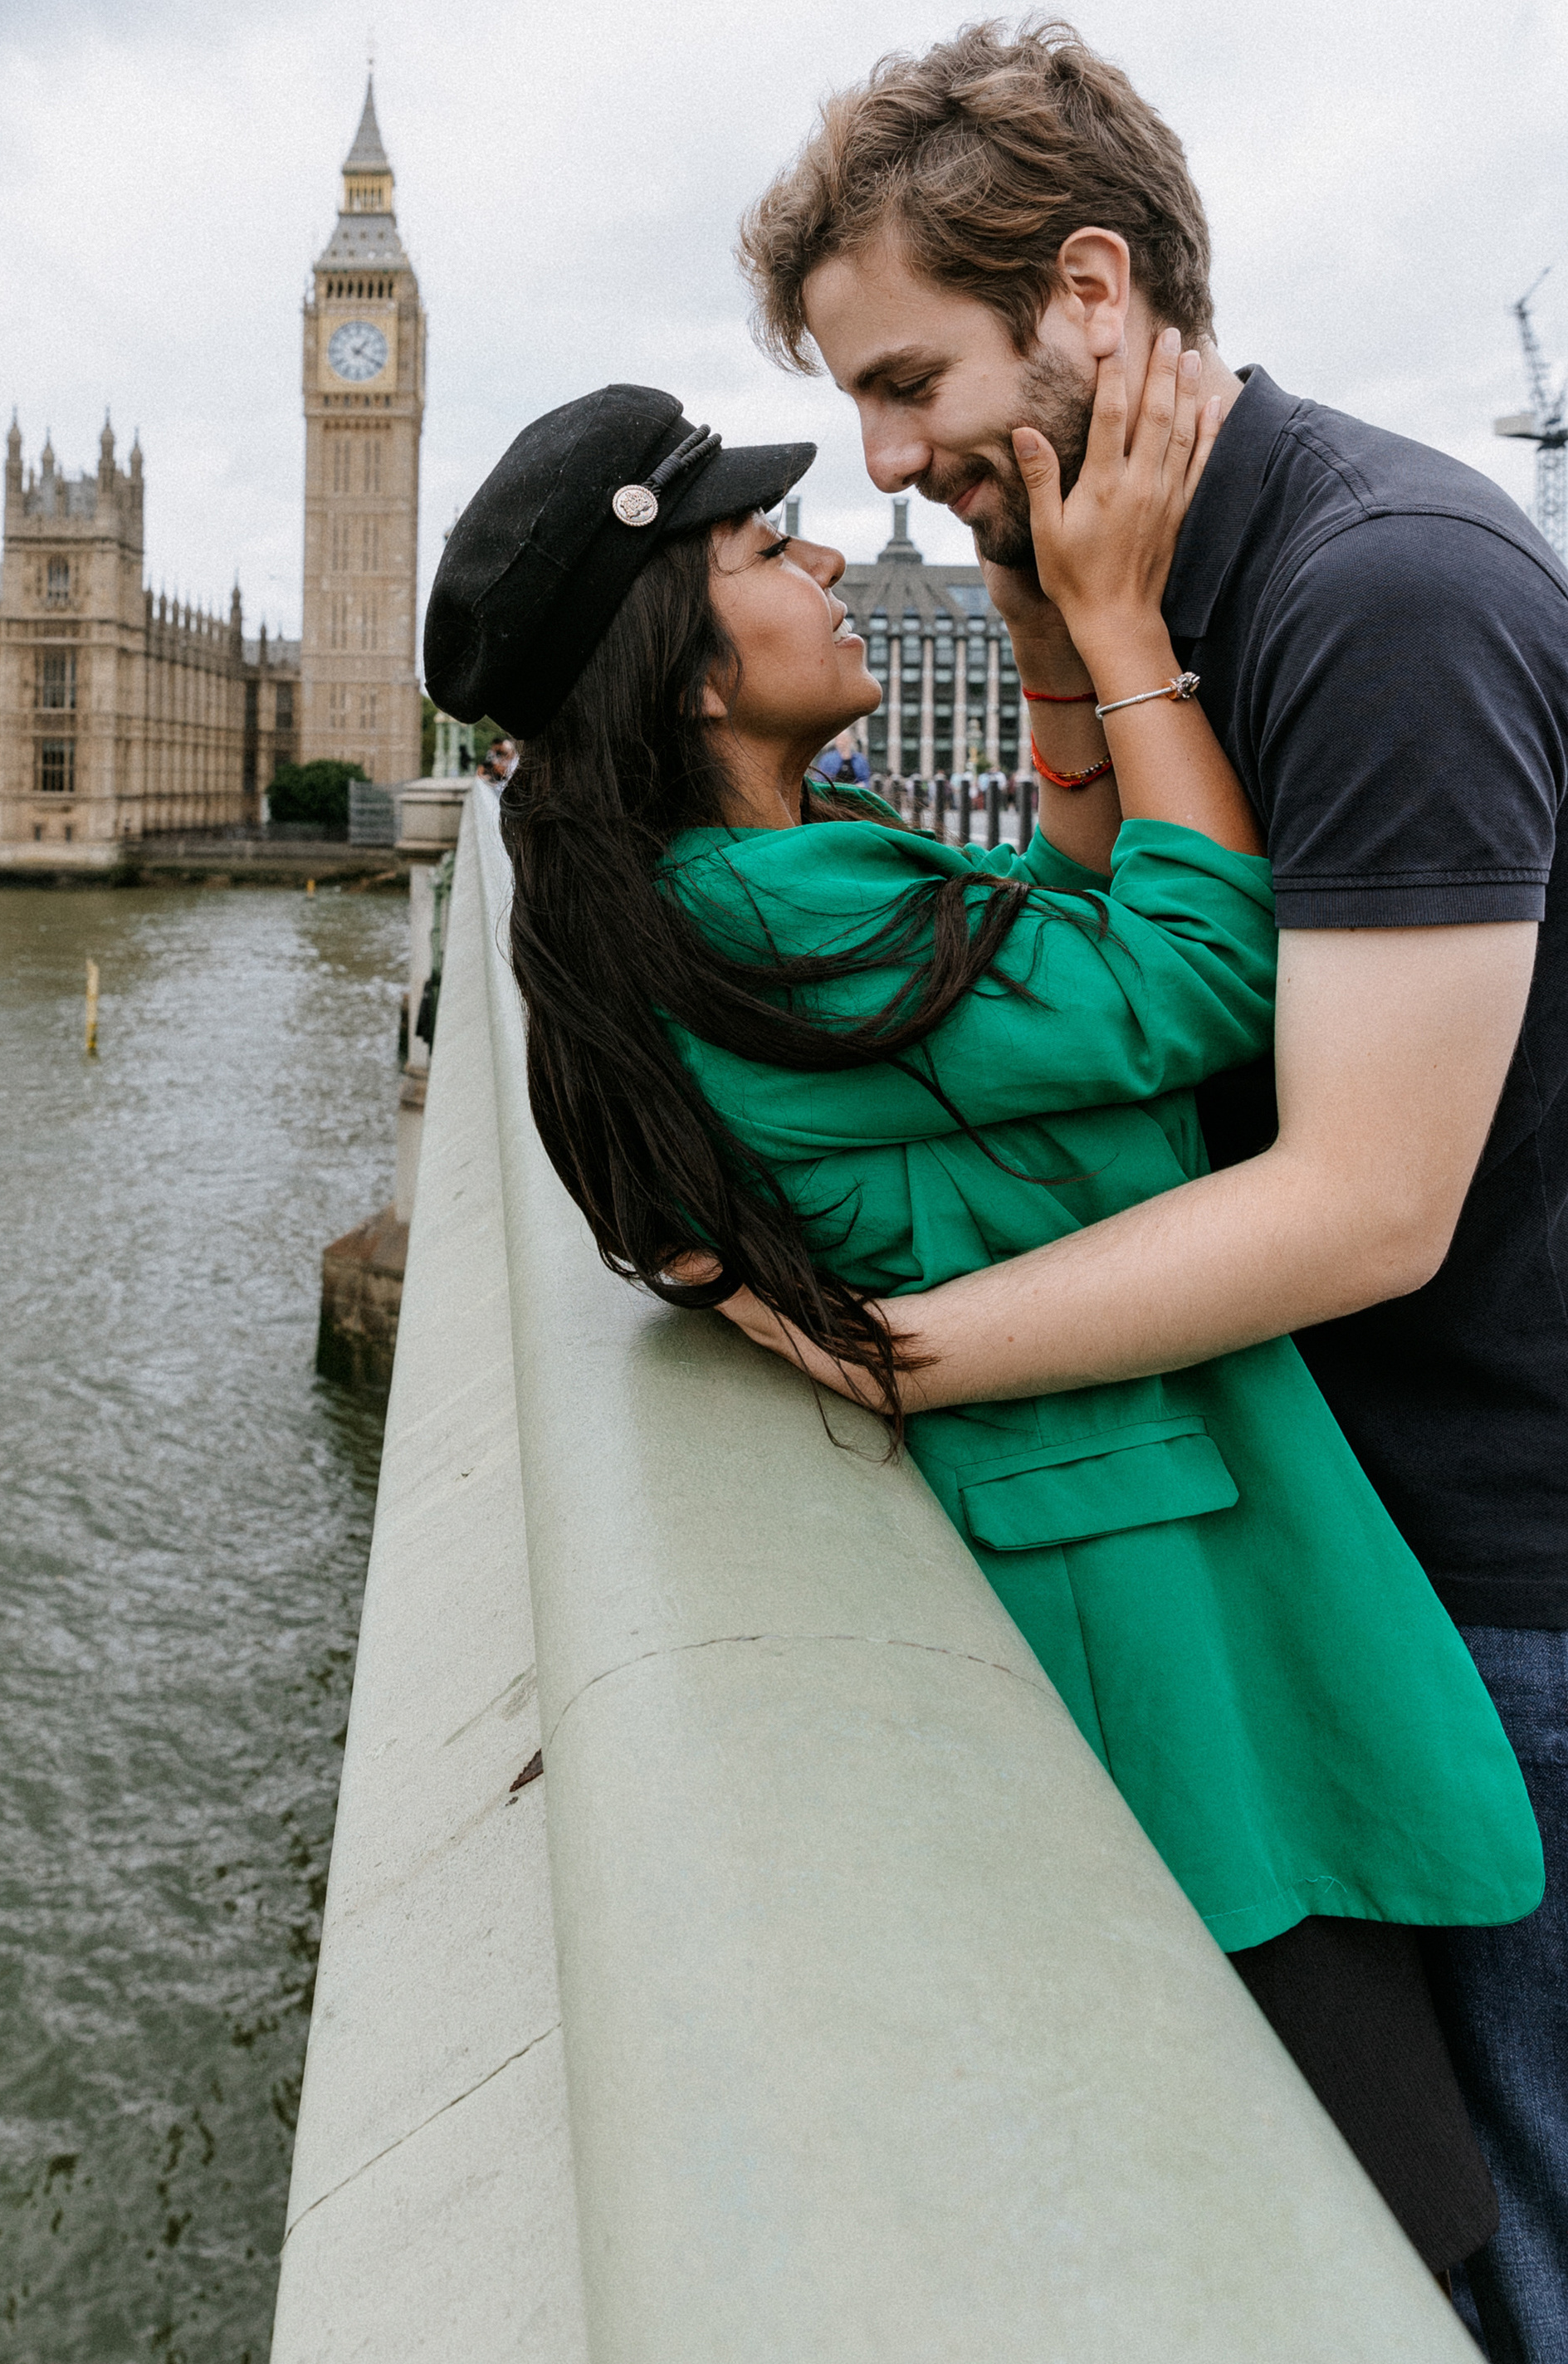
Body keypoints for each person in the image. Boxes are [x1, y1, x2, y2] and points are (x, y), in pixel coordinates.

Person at [424, 368, 1541, 2285]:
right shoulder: (778, 908)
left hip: (1121, 1585)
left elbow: (1054, 930)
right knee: (1394, 2223)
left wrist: (1034, 647)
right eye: (775, 548)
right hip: (1172, 1652)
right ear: (694, 672)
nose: (839, 552)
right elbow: (1196, 976)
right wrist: (1114, 627)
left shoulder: (736, 893)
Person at [732, 17, 1568, 2358]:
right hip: (1352, 1511)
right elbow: (1136, 985)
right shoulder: (1167, 569)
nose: (884, 459)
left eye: (910, 381)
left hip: (1514, 1568)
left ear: (1089, 294)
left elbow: (1363, 1203)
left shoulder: (1386, 589)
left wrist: (895, 1352)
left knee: (1515, 2245)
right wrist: (1055, 620)